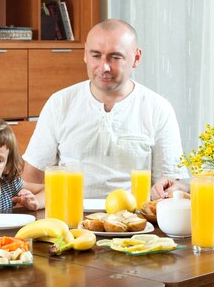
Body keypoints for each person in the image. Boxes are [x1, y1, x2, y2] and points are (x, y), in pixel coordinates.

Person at [22, 19, 187, 200]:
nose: (104, 67)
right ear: (85, 54)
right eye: (96, 55)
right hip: (68, 219)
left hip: (134, 221)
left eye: (115, 57)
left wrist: (173, 188)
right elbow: (33, 177)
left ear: (136, 57)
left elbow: (169, 182)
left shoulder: (158, 109)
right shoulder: (60, 103)